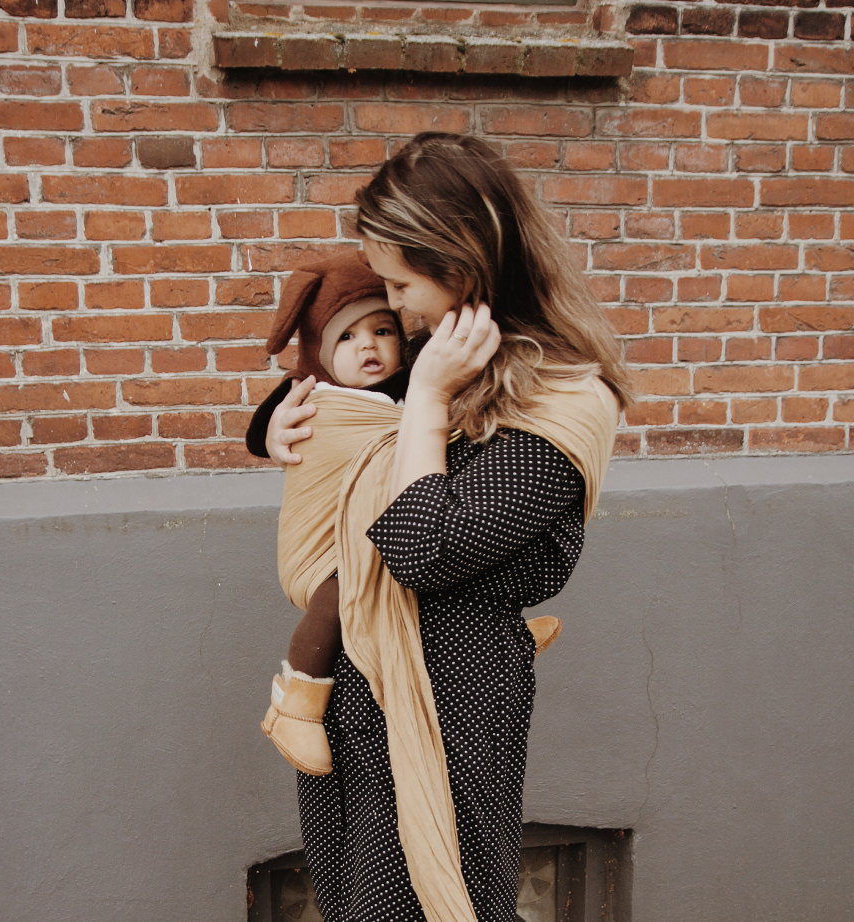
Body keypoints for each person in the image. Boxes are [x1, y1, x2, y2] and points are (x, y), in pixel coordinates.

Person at [265, 133, 633, 922]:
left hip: (451, 702)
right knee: (352, 899)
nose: (394, 308)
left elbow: (422, 549)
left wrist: (428, 402)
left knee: (433, 899)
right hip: (361, 677)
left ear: (461, 265)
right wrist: (286, 429)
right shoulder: (436, 356)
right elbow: (345, 412)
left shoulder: (564, 401)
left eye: (402, 284)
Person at [248, 251, 409, 777]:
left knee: (429, 561)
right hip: (322, 549)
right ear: (319, 349)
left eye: (383, 331)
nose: (368, 346)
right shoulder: (315, 392)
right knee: (341, 595)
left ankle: (487, 644)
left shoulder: (412, 388)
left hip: (378, 536)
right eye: (347, 336)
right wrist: (276, 432)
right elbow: (260, 432)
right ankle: (295, 703)